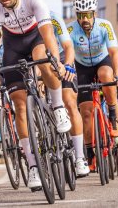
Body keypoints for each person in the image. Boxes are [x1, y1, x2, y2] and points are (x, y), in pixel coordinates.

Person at [0, 0, 71, 189]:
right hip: (12, 44)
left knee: (44, 60)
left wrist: (55, 59)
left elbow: (47, 31)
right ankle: (33, 165)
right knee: (19, 105)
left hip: (36, 37)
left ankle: (58, 108)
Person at [67, 0, 118, 172]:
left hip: (102, 61)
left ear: (94, 14)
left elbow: (114, 53)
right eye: (81, 15)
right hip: (81, 66)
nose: (85, 19)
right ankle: (90, 153)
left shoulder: (105, 26)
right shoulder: (70, 30)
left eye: (88, 14)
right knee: (85, 112)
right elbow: (65, 53)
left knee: (107, 75)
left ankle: (113, 114)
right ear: (76, 15)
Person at [50, 11, 90, 177]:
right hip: (40, 61)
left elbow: (68, 47)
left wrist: (68, 65)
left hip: (61, 56)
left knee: (69, 101)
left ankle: (80, 158)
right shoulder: (20, 22)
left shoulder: (52, 17)